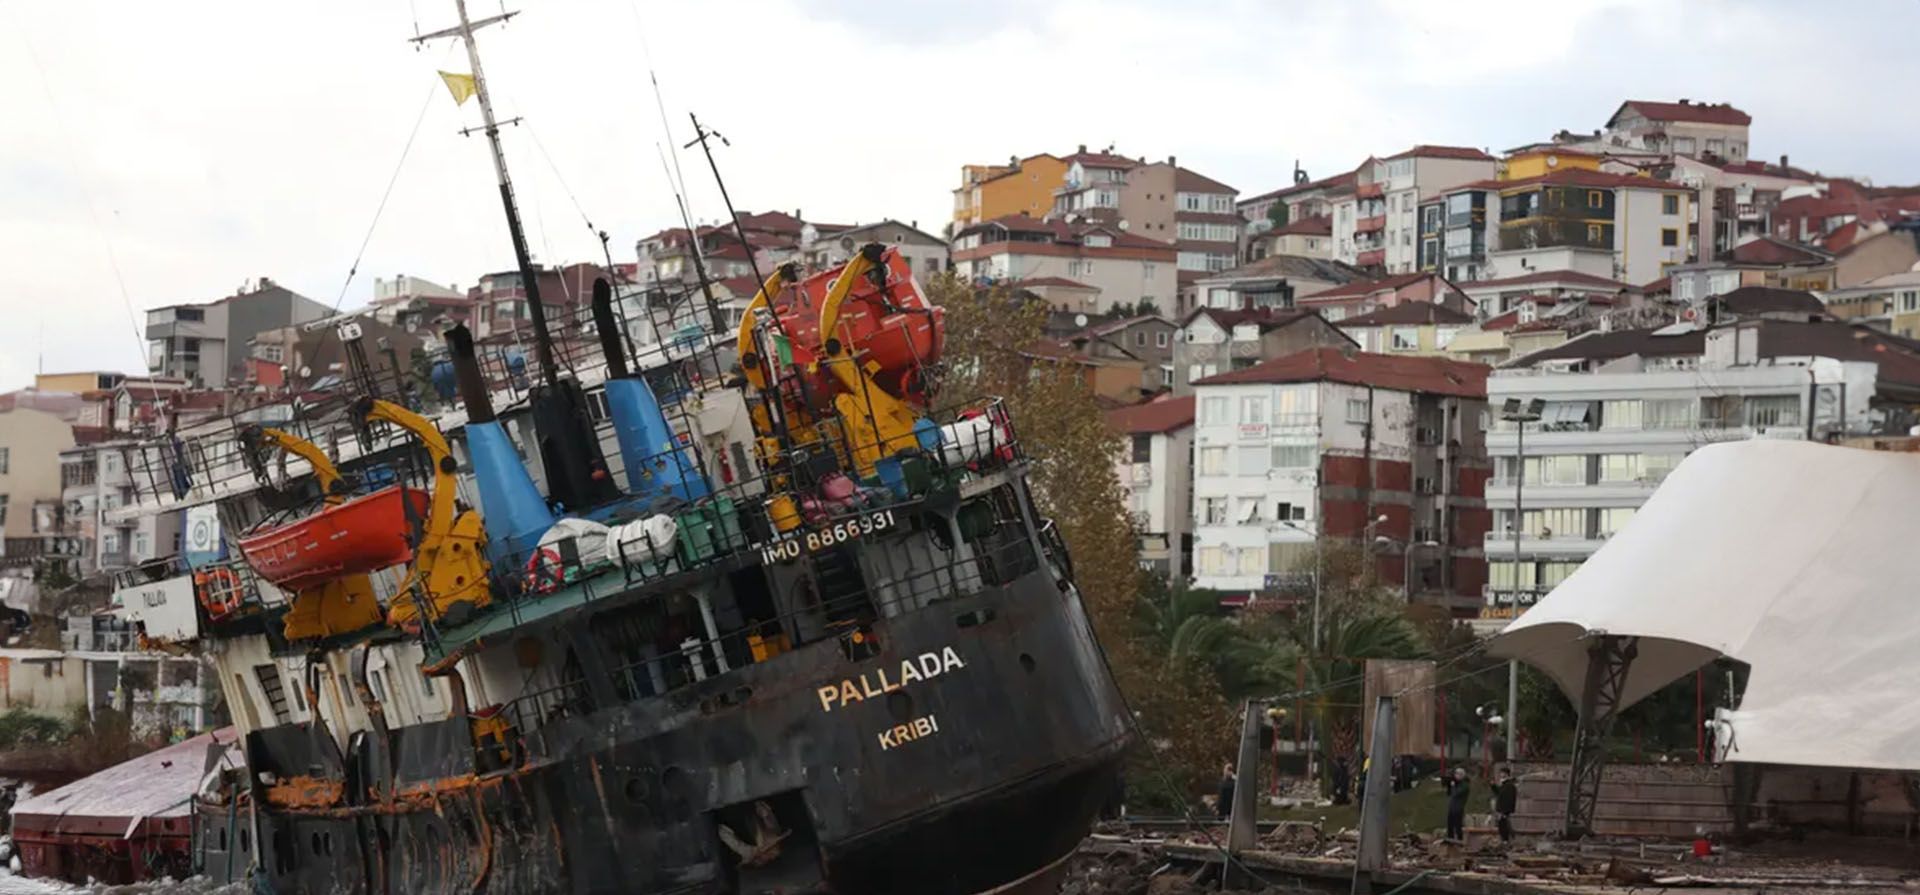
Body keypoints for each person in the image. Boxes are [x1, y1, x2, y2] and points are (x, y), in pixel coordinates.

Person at [1445, 767, 1470, 842]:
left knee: (1458, 826)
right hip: (1452, 807)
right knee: (1450, 826)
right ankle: (1450, 840)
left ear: (1462, 775)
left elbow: (1456, 794)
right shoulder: (1456, 784)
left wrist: (1453, 786)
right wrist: (1449, 785)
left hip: (1458, 808)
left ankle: (1460, 840)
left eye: (1457, 774)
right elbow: (1449, 794)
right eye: (1455, 774)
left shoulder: (1465, 785)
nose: (1456, 775)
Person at [1495, 767, 1519, 843]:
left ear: (1506, 774)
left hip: (1504, 810)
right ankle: (1505, 840)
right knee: (1502, 825)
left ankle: (1507, 841)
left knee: (1504, 826)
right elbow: (1499, 793)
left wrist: (1504, 811)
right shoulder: (1503, 784)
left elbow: (1509, 799)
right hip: (1501, 809)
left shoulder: (1509, 785)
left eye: (1502, 773)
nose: (1501, 775)